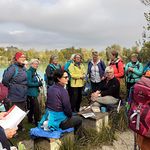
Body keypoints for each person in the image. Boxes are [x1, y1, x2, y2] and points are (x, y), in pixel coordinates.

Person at [2, 51, 28, 131]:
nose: (23, 59)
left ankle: (20, 126)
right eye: (21, 57)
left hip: (23, 94)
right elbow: (5, 80)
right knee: (14, 113)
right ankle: (12, 129)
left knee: (21, 111)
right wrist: (12, 86)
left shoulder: (23, 68)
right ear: (17, 58)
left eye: (24, 57)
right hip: (14, 95)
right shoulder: (13, 68)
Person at [26, 59, 43, 126]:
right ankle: (37, 122)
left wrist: (40, 83)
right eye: (35, 64)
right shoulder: (29, 72)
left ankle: (30, 120)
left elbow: (35, 81)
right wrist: (38, 84)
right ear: (31, 64)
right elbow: (28, 83)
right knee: (36, 108)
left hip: (35, 92)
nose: (37, 65)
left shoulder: (34, 72)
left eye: (37, 64)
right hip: (31, 93)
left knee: (33, 108)